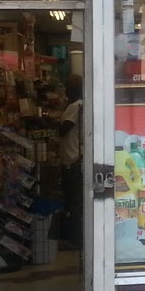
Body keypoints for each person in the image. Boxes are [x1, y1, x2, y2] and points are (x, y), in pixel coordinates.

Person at [57, 74, 84, 248]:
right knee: (74, 200)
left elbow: (63, 129)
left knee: (73, 200)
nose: (66, 91)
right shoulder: (78, 105)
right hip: (73, 158)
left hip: (73, 159)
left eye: (68, 88)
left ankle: (76, 239)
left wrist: (44, 122)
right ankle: (75, 237)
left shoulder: (75, 106)